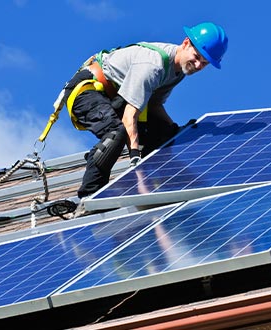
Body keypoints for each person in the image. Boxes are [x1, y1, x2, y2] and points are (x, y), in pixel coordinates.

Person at [59, 22, 228, 217]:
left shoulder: (177, 72)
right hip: (87, 91)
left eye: (204, 63)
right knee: (117, 133)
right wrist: (134, 158)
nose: (198, 65)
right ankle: (89, 199)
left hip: (116, 98)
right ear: (186, 43)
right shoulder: (153, 65)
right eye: (197, 57)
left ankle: (158, 182)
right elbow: (129, 117)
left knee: (166, 134)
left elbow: (154, 106)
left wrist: (175, 130)